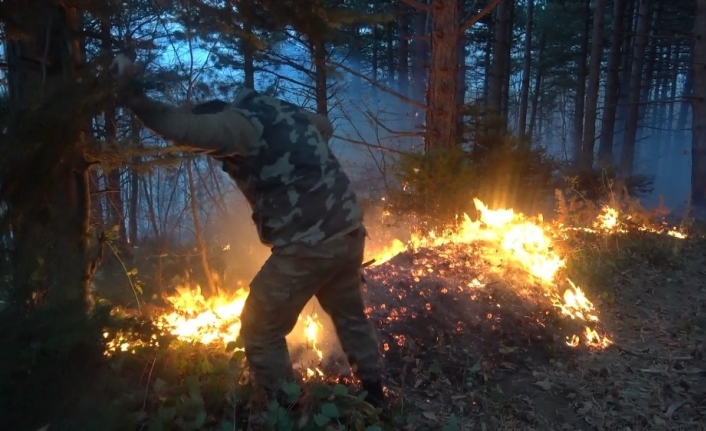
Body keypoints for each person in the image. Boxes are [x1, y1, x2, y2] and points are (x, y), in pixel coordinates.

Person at [110, 55, 385, 407]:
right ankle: (375, 398)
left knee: (259, 328)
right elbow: (323, 125)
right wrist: (301, 166)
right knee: (350, 316)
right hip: (347, 232)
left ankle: (283, 410)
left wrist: (132, 97)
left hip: (308, 247)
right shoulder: (276, 112)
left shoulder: (236, 127)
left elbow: (183, 130)